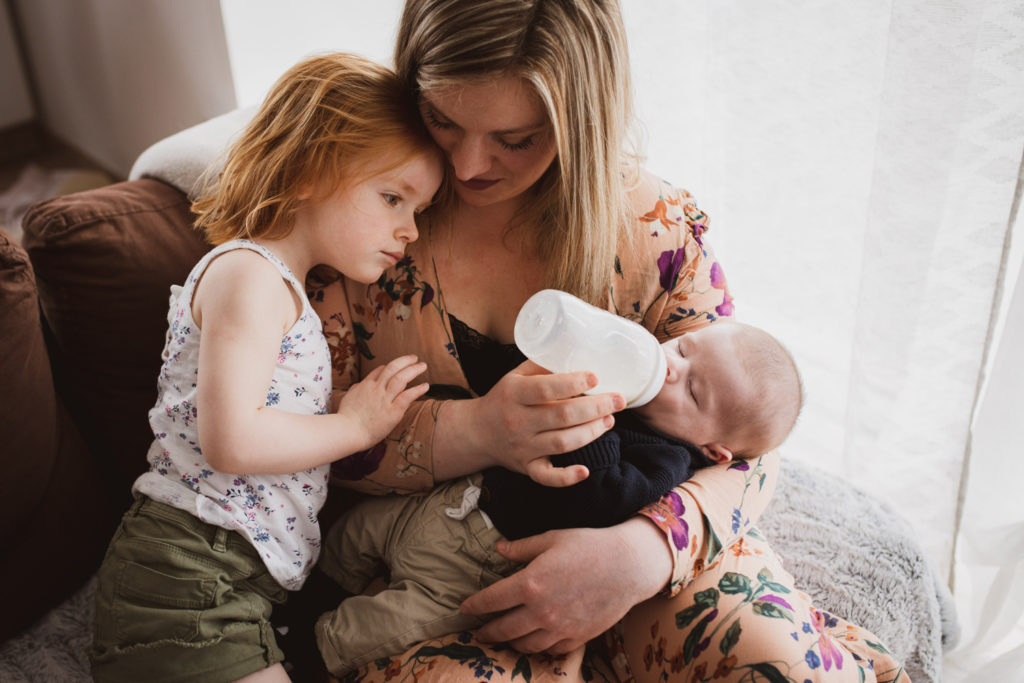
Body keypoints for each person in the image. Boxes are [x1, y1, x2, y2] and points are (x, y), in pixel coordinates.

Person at [307, 1, 911, 681]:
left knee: (783, 668)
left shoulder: (659, 230)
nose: (470, 164)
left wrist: (644, 551)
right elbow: (300, 438)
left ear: (582, 120)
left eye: (517, 137)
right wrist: (476, 430)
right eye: (442, 119)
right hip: (439, 570)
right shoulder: (358, 218)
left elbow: (752, 447)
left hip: (644, 557)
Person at [88, 52, 443, 683]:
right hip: (187, 572)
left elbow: (266, 413)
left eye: (417, 210)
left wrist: (345, 412)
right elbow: (233, 440)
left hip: (235, 582)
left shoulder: (287, 292)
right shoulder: (249, 275)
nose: (409, 230)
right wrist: (354, 426)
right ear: (309, 170)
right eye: (393, 198)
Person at [312, 320, 804, 676]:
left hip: (478, 564)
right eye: (680, 348)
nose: (671, 368)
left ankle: (312, 650)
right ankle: (315, 592)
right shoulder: (636, 387)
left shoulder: (666, 461)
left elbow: (598, 494)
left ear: (712, 449)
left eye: (694, 391)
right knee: (356, 533)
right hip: (455, 500)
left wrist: (596, 413)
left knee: (390, 622)